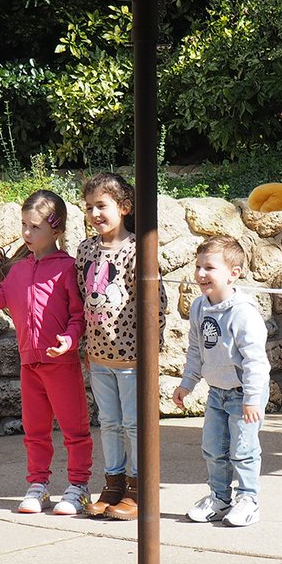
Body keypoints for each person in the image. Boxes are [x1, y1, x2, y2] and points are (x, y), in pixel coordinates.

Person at [0, 190, 91, 515]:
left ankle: (79, 487)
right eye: (24, 225)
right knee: (35, 431)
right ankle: (39, 485)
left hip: (62, 364)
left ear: (56, 230)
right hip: (29, 365)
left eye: (35, 227)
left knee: (75, 429)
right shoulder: (16, 269)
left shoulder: (68, 268)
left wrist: (70, 341)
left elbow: (78, 315)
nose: (27, 233)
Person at [77, 172, 166, 520]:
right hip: (99, 355)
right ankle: (112, 483)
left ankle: (136, 486)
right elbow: (82, 298)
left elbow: (155, 303)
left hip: (131, 358)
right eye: (89, 207)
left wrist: (150, 351)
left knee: (134, 424)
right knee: (109, 422)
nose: (95, 213)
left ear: (125, 207)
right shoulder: (86, 249)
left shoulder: (137, 250)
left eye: (102, 205)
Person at [172, 236, 270, 527]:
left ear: (233, 273)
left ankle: (248, 500)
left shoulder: (243, 313)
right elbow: (195, 348)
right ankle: (219, 498)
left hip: (244, 395)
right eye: (198, 266)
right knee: (213, 448)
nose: (201, 274)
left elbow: (255, 361)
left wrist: (252, 398)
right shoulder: (199, 307)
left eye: (210, 268)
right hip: (217, 392)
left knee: (243, 450)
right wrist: (187, 382)